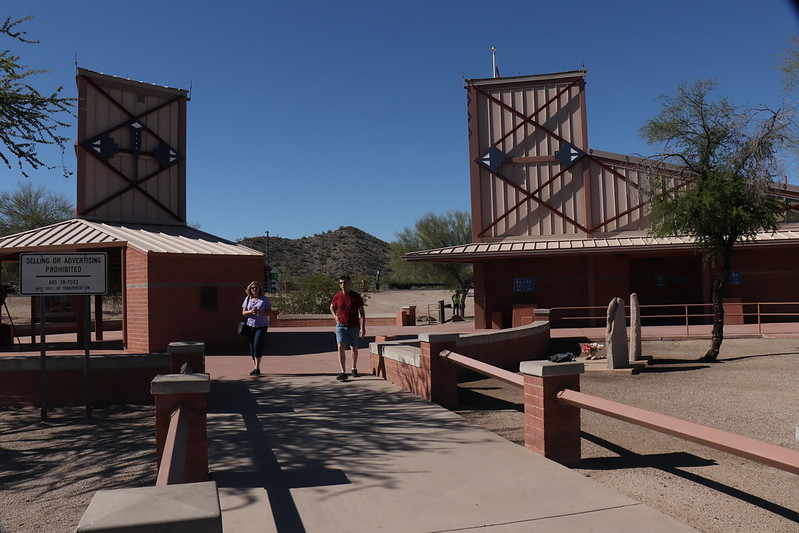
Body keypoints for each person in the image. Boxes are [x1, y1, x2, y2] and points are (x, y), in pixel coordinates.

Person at [329, 274, 366, 381]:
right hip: (341, 325)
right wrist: (335, 316)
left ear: (349, 283)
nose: (343, 285)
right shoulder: (337, 296)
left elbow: (362, 313)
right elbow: (331, 306)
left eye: (345, 282)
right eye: (341, 283)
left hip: (354, 325)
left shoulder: (356, 296)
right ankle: (343, 371)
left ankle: (354, 368)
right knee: (340, 345)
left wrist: (362, 328)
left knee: (353, 347)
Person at [242, 281, 271, 376]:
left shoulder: (264, 300)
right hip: (250, 325)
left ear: (260, 289)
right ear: (250, 289)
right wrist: (251, 311)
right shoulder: (247, 299)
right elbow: (243, 313)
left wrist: (259, 312)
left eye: (256, 287)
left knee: (257, 345)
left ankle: (257, 367)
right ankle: (255, 367)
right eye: (252, 288)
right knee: (251, 347)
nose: (254, 289)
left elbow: (269, 313)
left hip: (261, 326)